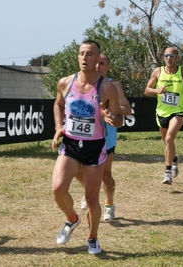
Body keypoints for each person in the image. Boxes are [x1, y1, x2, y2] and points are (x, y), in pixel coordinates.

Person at [51, 40, 123, 255]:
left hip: (94, 147)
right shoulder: (65, 82)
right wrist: (58, 127)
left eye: (90, 54)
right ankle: (72, 219)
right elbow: (58, 104)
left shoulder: (107, 87)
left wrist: (112, 118)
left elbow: (119, 118)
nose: (85, 58)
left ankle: (93, 238)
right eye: (82, 53)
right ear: (77, 57)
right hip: (71, 145)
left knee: (92, 199)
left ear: (97, 58)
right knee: (57, 189)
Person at [77, 54, 132, 221]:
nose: (97, 66)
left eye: (102, 63)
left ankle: (109, 204)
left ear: (108, 66)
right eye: (96, 63)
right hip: (86, 134)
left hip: (106, 136)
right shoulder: (83, 84)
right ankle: (90, 191)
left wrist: (111, 108)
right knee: (77, 170)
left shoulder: (113, 85)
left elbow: (127, 108)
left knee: (105, 175)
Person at [144, 47, 183, 185]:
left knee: (169, 138)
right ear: (164, 57)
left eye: (172, 55)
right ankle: (174, 159)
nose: (169, 58)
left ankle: (167, 172)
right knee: (167, 142)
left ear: (177, 58)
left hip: (178, 111)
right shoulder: (158, 71)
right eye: (166, 55)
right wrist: (157, 90)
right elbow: (147, 90)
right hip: (162, 112)